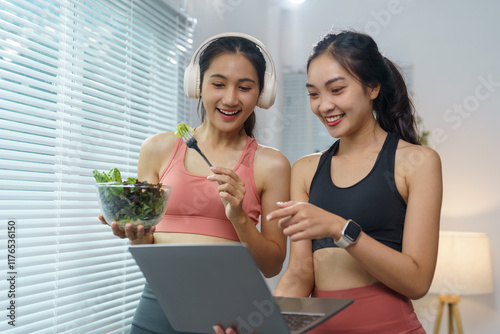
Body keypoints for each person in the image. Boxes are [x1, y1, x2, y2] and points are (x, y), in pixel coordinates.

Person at [99, 33, 290, 334]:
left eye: (244, 87)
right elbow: (147, 242)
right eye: (218, 84)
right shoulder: (157, 148)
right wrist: (135, 234)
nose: (230, 98)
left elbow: (272, 265)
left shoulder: (272, 165)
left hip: (229, 318)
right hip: (155, 309)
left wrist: (238, 216)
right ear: (197, 86)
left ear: (262, 95)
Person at [263, 30, 443, 334]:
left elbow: (417, 281)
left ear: (372, 87)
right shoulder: (306, 170)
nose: (323, 105)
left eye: (336, 89)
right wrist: (262, 326)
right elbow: (300, 273)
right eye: (314, 93)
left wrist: (339, 229)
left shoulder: (418, 162)